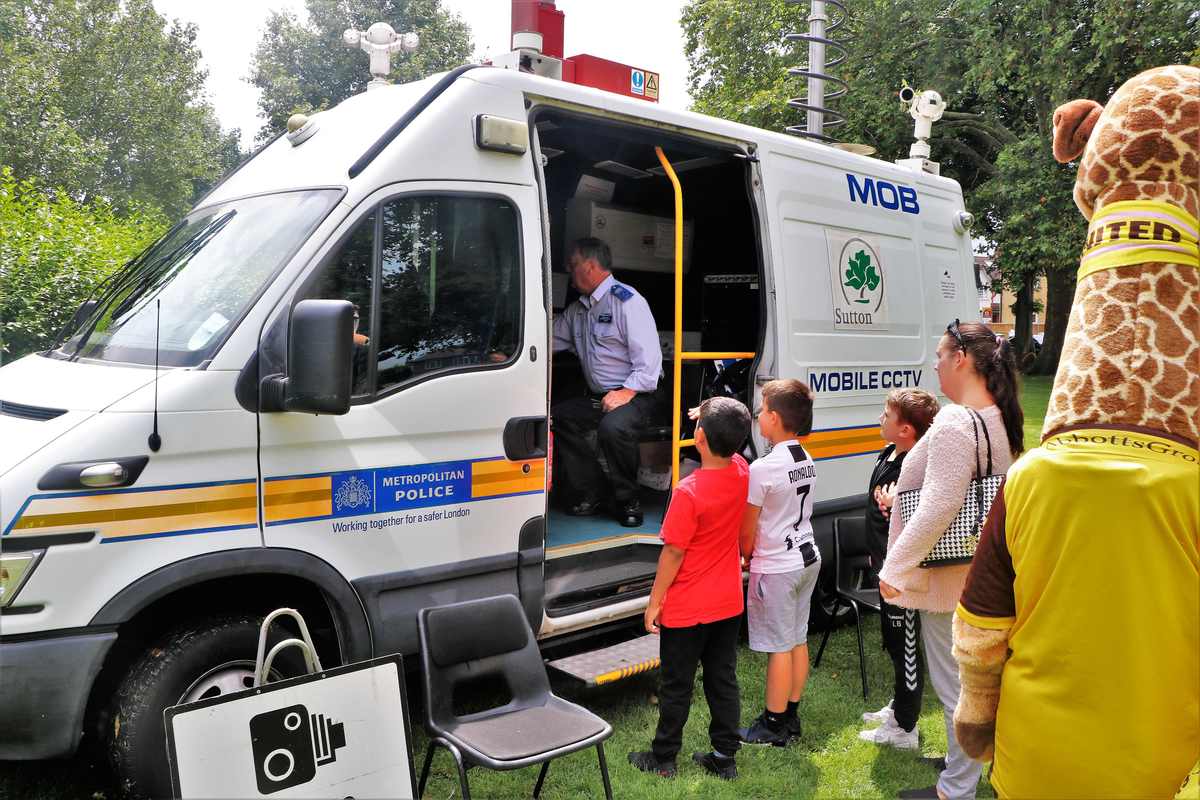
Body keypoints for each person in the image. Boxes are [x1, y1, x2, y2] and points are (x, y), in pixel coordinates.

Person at [877, 320, 1023, 800]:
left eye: (940, 356)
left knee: (956, 688)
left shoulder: (958, 421)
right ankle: (967, 774)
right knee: (972, 684)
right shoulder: (997, 418)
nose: (935, 365)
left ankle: (954, 790)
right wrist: (899, 497)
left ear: (961, 358)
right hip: (981, 572)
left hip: (948, 579)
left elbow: (941, 504)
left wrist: (894, 568)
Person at [628, 397, 752, 781]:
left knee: (676, 685)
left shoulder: (688, 491)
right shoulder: (743, 470)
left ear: (698, 438)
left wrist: (654, 602)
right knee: (722, 679)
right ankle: (724, 756)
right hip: (728, 602)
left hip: (686, 608)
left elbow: (673, 553)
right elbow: (732, 433)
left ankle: (664, 757)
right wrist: (711, 417)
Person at [551, 237, 663, 527]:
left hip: (639, 393)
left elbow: (649, 364)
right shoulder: (577, 310)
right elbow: (549, 339)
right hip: (599, 394)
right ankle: (594, 492)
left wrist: (626, 392)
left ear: (589, 266)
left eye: (572, 265)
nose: (569, 271)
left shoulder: (627, 301)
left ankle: (628, 500)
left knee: (613, 427)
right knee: (560, 417)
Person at [737, 379, 821, 747]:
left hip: (778, 565)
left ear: (773, 417)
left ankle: (772, 724)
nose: (757, 416)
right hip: (807, 556)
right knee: (797, 639)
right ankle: (791, 714)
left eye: (761, 410)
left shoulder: (763, 468)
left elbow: (748, 528)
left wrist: (744, 555)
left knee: (779, 647)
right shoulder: (807, 458)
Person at [858, 389, 940, 751]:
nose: (880, 417)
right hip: (883, 565)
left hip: (902, 574)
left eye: (886, 415)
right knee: (894, 645)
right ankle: (898, 707)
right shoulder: (891, 453)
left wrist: (900, 504)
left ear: (905, 429)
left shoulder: (916, 465)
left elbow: (925, 514)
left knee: (906, 648)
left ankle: (905, 728)